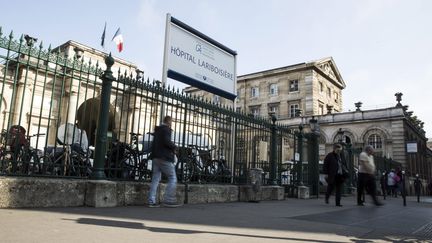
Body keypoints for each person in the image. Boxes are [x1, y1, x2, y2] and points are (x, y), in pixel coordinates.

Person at [147, 116, 181, 208]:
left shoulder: (157, 130)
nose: (171, 123)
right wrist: (174, 147)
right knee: (172, 177)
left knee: (155, 179)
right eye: (171, 122)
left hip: (155, 157)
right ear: (169, 122)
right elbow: (166, 141)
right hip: (164, 157)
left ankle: (151, 200)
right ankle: (169, 200)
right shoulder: (166, 130)